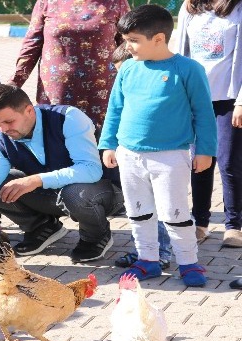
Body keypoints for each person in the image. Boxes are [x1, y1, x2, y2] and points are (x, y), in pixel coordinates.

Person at [0, 84, 123, 262]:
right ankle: (42, 227)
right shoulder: (0, 140)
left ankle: (96, 236)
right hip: (55, 196)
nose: (3, 130)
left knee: (75, 193)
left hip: (103, 193)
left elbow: (91, 170)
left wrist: (36, 180)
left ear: (29, 110)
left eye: (9, 122)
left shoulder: (69, 118)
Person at [99, 4, 217, 287]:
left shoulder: (188, 69)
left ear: (159, 39)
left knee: (175, 212)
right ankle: (148, 260)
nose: (127, 47)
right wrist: (109, 144)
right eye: (126, 40)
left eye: (133, 41)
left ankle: (189, 262)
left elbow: (204, 112)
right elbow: (115, 108)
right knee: (138, 210)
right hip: (129, 155)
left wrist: (205, 150)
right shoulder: (127, 68)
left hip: (171, 156)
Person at [176, 0, 242, 260]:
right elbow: (180, 52)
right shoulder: (190, 6)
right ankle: (200, 222)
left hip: (230, 97)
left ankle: (234, 225)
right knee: (199, 161)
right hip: (196, 96)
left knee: (228, 162)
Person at [9, 0, 130, 130]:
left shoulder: (116, 3)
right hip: (56, 92)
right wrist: (14, 84)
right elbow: (32, 44)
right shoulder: (47, 2)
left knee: (99, 143)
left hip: (101, 93)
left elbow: (127, 46)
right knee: (55, 139)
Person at [109, 43, 173, 271]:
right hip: (132, 155)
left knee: (159, 204)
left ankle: (163, 251)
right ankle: (143, 251)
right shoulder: (127, 89)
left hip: (160, 155)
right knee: (139, 206)